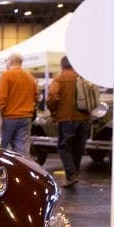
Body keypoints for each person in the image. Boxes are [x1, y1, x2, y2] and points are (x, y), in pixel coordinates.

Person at [47, 56, 90, 187]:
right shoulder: (83, 78)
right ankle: (74, 174)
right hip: (84, 118)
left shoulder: (60, 78)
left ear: (62, 65)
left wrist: (53, 111)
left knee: (64, 147)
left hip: (67, 118)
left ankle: (71, 174)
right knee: (78, 147)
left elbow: (53, 95)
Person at [0, 52, 39, 154]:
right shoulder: (30, 77)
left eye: (6, 61)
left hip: (8, 118)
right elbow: (36, 98)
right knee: (22, 150)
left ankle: (1, 169)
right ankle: (21, 169)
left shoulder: (6, 75)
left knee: (1, 148)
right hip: (26, 118)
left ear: (10, 62)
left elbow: (1, 99)